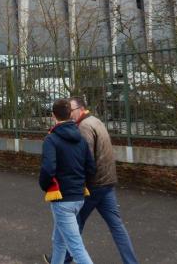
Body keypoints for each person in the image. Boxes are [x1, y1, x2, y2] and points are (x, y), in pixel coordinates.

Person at [46, 96, 138, 264]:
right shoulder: (96, 121)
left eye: (71, 110)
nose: (70, 114)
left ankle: (64, 259)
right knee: (116, 226)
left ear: (80, 109)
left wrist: (75, 183)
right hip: (108, 182)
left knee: (74, 224)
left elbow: (82, 161)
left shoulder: (84, 127)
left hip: (94, 185)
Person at [39, 99, 96, 264]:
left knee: (76, 248)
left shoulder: (51, 139)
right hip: (79, 197)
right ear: (70, 114)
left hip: (62, 200)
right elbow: (91, 168)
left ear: (52, 116)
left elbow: (48, 169)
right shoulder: (81, 138)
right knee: (58, 240)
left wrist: (44, 186)